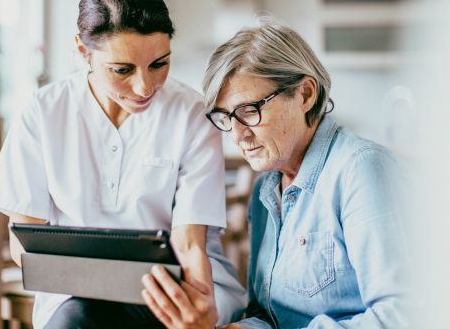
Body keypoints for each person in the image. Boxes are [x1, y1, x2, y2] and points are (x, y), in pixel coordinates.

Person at [0, 0, 246, 328]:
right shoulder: (44, 111)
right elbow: (25, 243)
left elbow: (190, 243)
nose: (144, 86)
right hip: (76, 296)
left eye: (159, 64)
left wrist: (198, 307)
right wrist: (94, 280)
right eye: (122, 69)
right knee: (78, 318)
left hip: (178, 283)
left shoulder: (192, 115)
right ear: (82, 51)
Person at [143, 19, 410, 328]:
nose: (237, 134)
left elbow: (402, 315)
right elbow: (267, 314)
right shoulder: (265, 190)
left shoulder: (361, 169)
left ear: (305, 94)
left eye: (248, 111)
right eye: (226, 117)